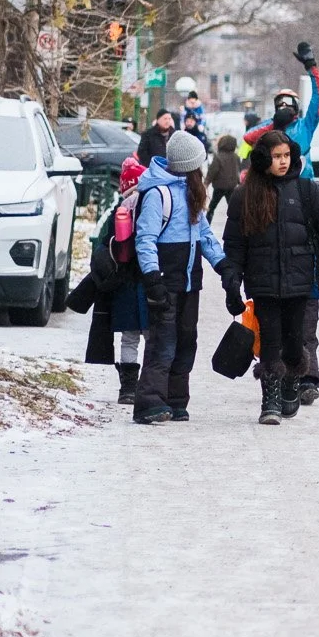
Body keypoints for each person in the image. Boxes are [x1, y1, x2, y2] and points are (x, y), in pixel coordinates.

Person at [223, 130, 319, 425]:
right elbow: (235, 243)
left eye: (286, 156)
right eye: (276, 156)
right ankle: (270, 399)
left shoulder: (305, 190)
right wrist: (232, 281)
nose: (283, 162)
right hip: (263, 282)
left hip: (300, 280)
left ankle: (292, 378)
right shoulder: (245, 195)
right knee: (269, 340)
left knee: (294, 341)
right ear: (263, 159)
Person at [242, 45, 319, 402]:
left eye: (289, 103)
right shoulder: (271, 133)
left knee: (304, 316)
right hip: (272, 208)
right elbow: (250, 138)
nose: (286, 107)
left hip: (303, 205)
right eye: (280, 103)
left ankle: (307, 378)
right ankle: (277, 378)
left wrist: (312, 66)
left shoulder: (305, 126)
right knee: (277, 318)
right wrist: (274, 125)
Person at [131, 131, 226, 424]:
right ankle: (149, 401)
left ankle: (175, 399)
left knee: (186, 340)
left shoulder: (190, 192)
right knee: (163, 341)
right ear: (190, 165)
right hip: (165, 281)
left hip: (189, 282)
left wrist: (223, 266)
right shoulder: (158, 194)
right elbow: (145, 239)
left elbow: (204, 235)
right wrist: (152, 277)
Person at [71, 156, 151, 405]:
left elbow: (107, 244)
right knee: (153, 336)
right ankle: (153, 384)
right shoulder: (150, 205)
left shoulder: (120, 210)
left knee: (129, 337)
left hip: (124, 284)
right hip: (147, 281)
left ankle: (127, 389)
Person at [205, 133, 241, 224]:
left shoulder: (218, 157)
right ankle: (237, 223)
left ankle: (207, 222)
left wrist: (206, 183)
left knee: (212, 206)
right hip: (231, 186)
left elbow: (212, 171)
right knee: (233, 206)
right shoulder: (235, 156)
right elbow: (237, 171)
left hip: (219, 186)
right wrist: (239, 182)